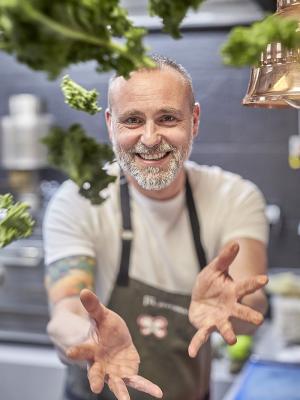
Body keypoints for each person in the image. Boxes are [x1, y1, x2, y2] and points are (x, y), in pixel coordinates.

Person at [43, 55, 269, 400]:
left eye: (167, 118)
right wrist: (86, 338)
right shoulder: (78, 199)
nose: (150, 139)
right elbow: (66, 313)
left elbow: (251, 303)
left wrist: (233, 307)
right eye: (132, 120)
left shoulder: (235, 197)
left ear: (193, 120)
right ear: (110, 125)